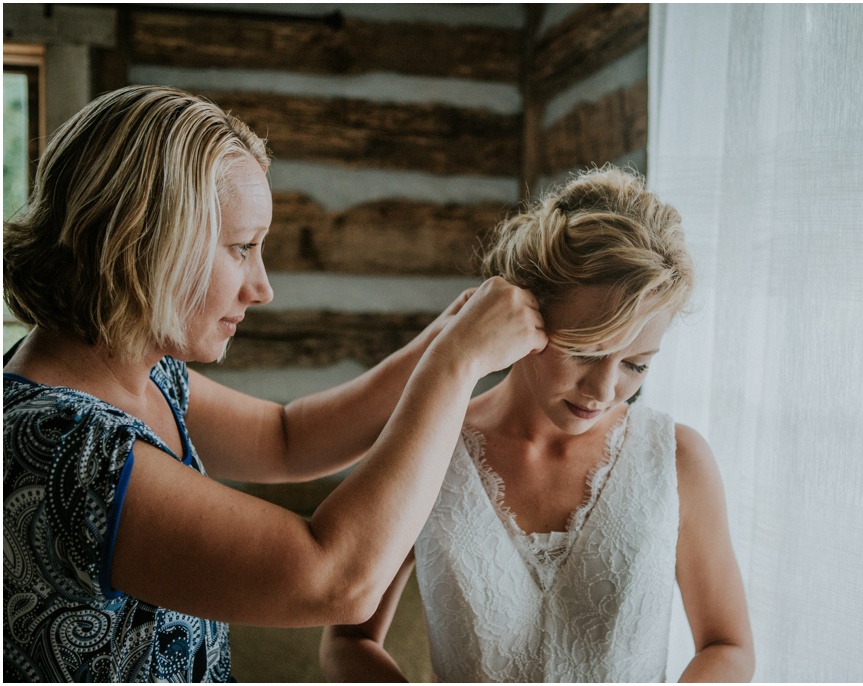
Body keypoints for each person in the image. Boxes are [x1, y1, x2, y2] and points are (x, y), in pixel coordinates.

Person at [1, 85, 545, 682]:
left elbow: (288, 438)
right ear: (148, 240)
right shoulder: (66, 448)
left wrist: (443, 336)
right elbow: (337, 579)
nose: (261, 287)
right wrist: (457, 364)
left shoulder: (140, 371)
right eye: (242, 248)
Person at [320, 167, 754, 682]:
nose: (602, 390)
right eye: (582, 351)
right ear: (523, 312)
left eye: (636, 364)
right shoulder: (429, 447)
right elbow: (347, 640)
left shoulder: (678, 459)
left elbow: (727, 646)